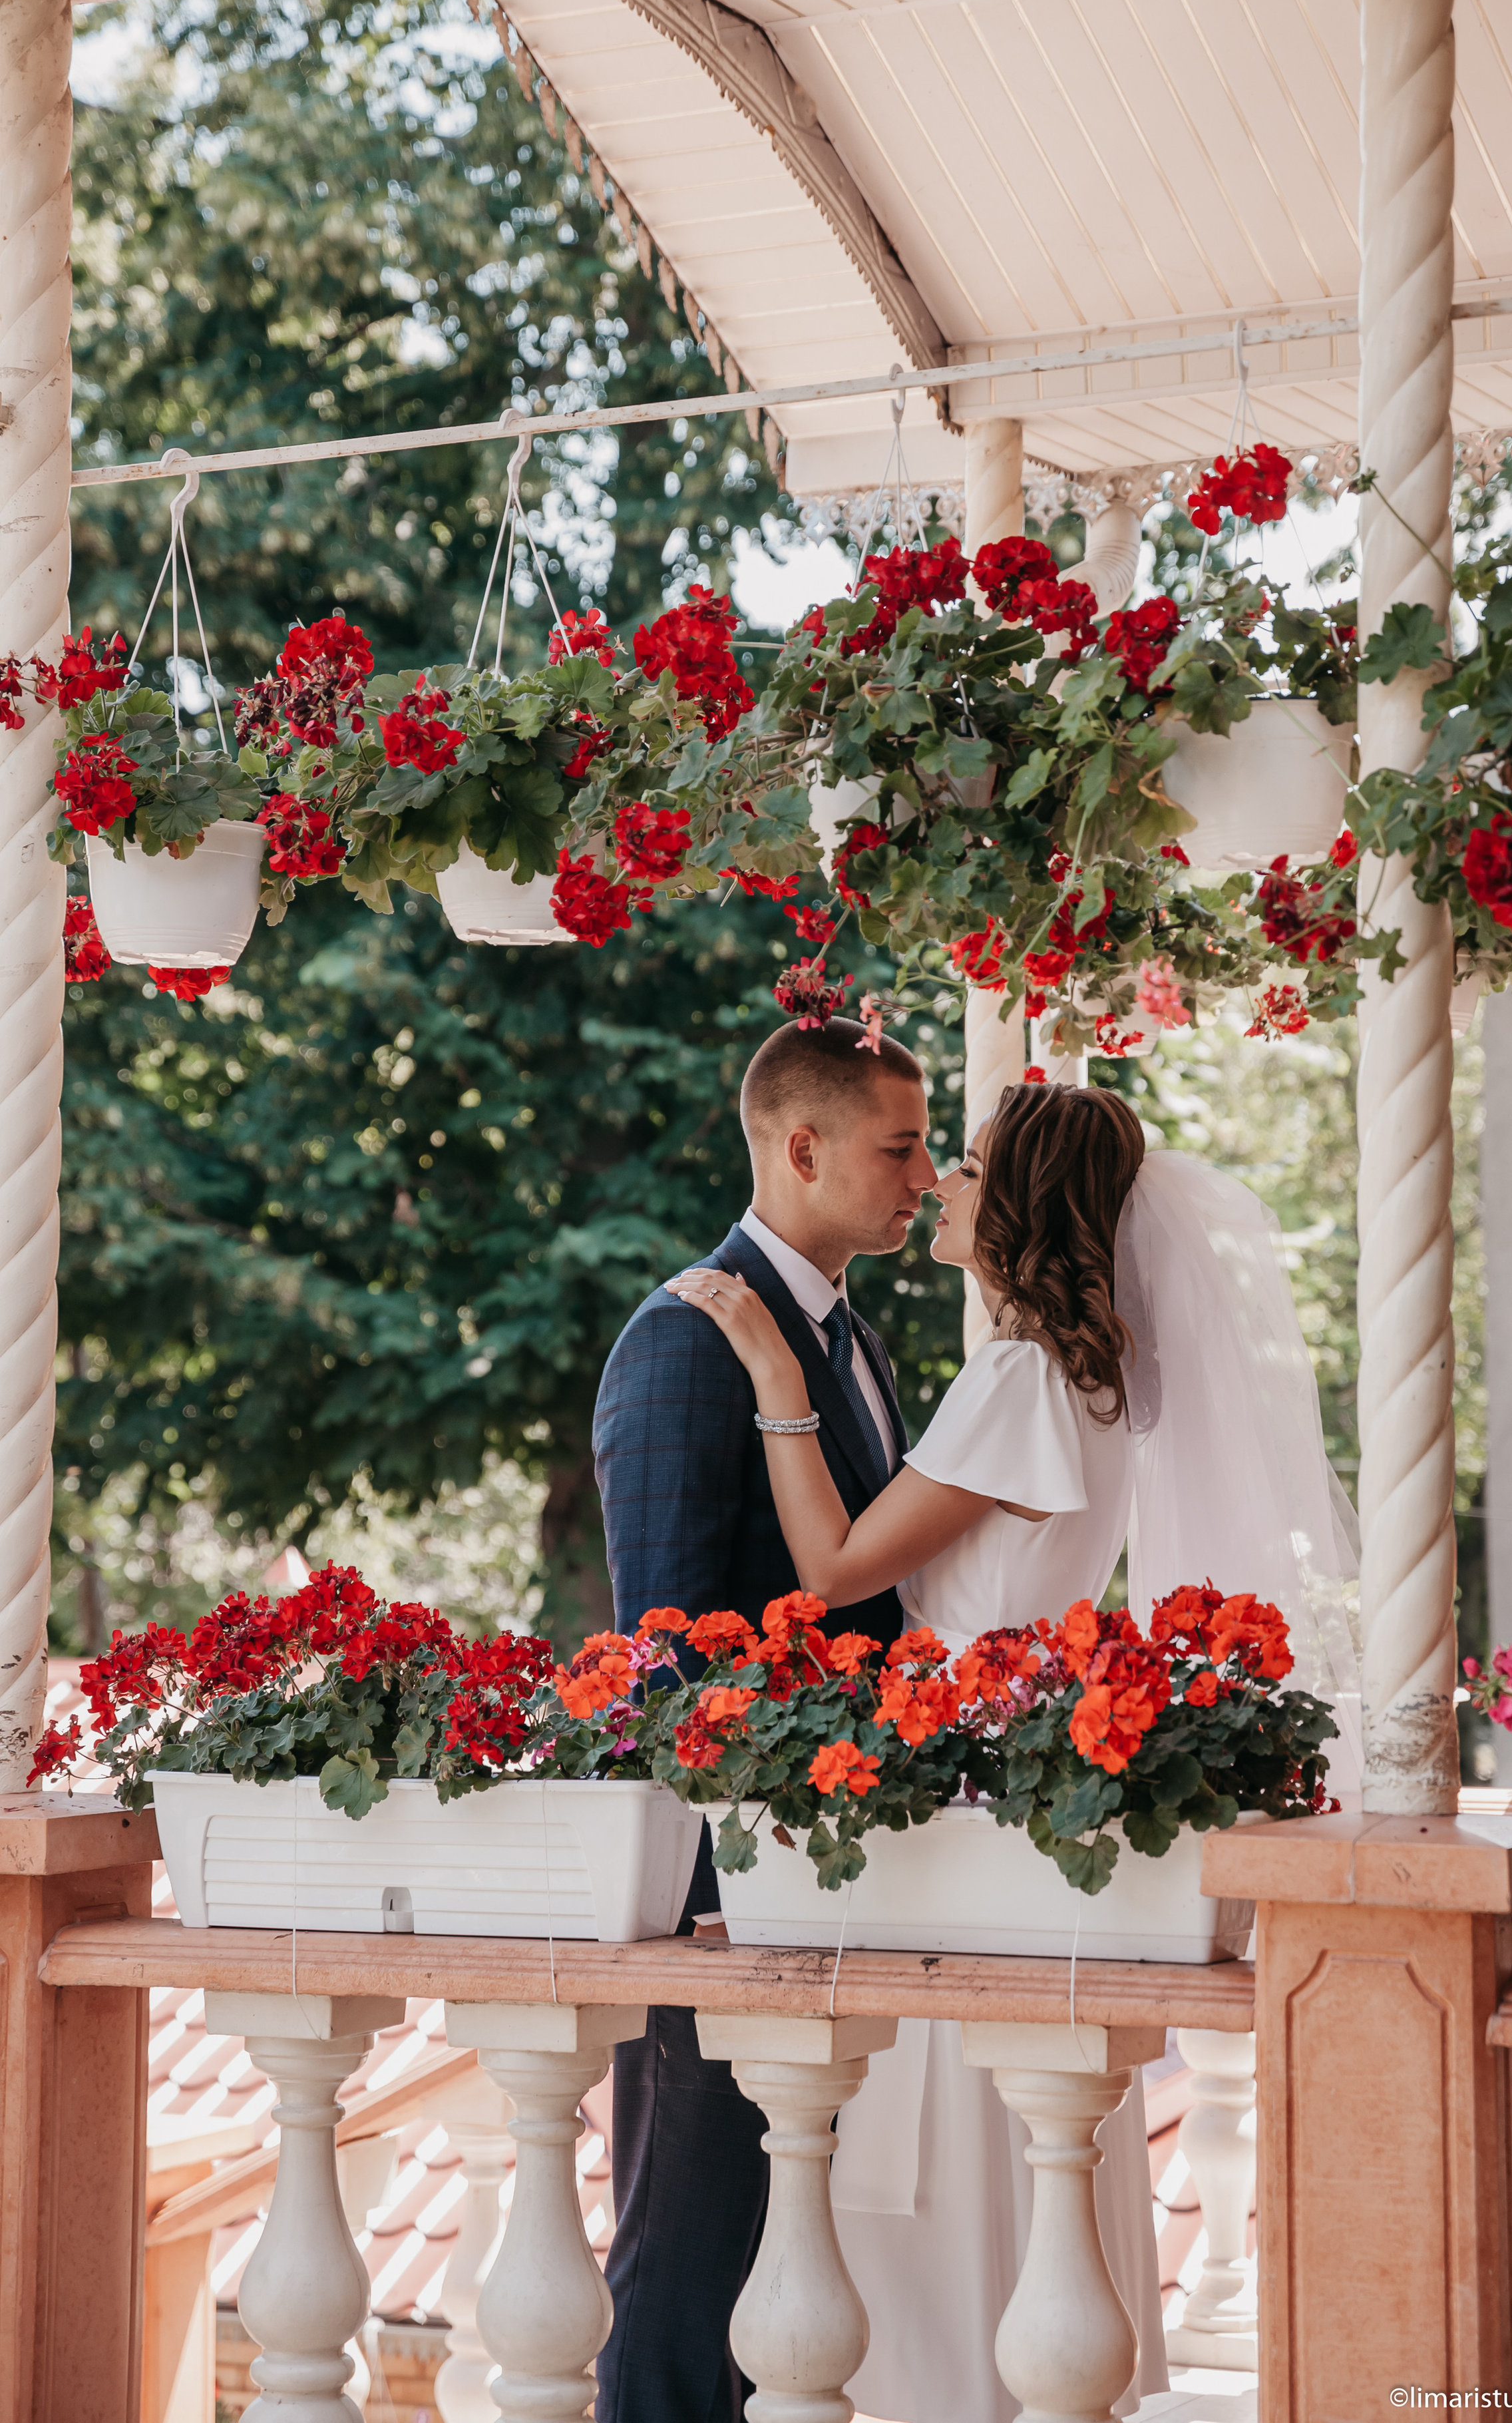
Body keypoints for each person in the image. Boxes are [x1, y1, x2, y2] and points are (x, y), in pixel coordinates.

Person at [669, 1076, 1363, 2423]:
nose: (939, 1183)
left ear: (1021, 1203)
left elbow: (827, 1565)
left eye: (968, 1166)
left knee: (939, 2164)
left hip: (957, 1812)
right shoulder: (1091, 1376)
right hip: (1001, 1799)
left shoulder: (1016, 1380)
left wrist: (769, 1369)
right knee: (1012, 2155)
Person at [591, 1012, 936, 2423]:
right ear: (800, 1148)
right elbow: (667, 1647)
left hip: (818, 1873)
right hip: (718, 1889)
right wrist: (731, 1875)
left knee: (761, 2274)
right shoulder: (688, 1339)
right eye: (898, 1147)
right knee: (682, 2269)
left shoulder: (845, 1338)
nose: (923, 1176)